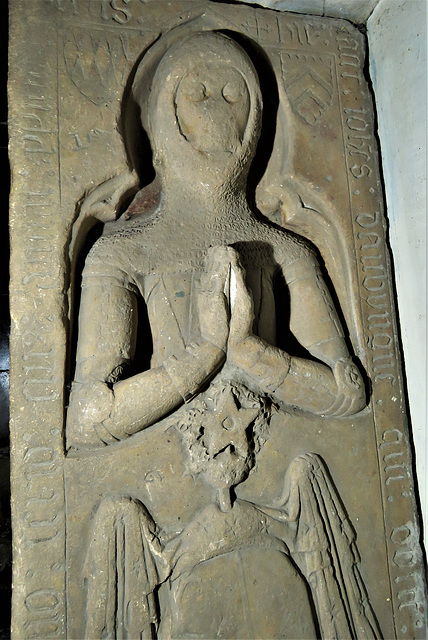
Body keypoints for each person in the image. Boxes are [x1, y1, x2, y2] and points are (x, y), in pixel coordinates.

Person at [67, 31, 379, 639]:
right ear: (161, 120)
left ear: (257, 119)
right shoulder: (123, 257)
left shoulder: (288, 251)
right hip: (175, 536)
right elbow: (86, 416)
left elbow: (348, 392)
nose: (215, 108)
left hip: (273, 532)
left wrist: (252, 355)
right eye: (197, 93)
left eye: (233, 93)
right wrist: (198, 361)